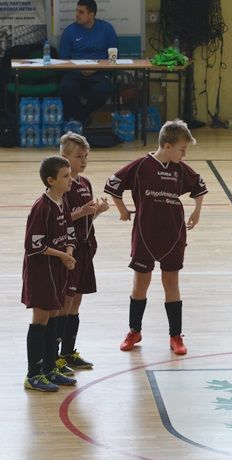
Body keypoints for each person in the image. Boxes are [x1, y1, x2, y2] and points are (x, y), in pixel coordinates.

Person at [104, 119, 207, 356]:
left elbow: (200, 187)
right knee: (141, 283)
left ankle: (175, 336)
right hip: (145, 234)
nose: (184, 154)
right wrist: (122, 208)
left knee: (171, 283)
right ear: (167, 146)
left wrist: (197, 211)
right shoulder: (141, 166)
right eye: (182, 149)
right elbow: (113, 184)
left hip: (173, 234)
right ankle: (134, 331)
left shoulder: (180, 169)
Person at [55, 132, 109, 375]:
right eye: (78, 156)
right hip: (69, 248)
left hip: (86, 248)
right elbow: (59, 219)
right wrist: (81, 212)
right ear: (64, 157)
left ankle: (68, 352)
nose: (84, 161)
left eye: (86, 156)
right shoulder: (61, 185)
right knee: (65, 301)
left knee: (76, 301)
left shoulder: (85, 183)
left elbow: (86, 218)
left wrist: (98, 211)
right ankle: (54, 356)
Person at [22, 157, 78, 391]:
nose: (71, 179)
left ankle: (50, 368)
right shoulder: (41, 207)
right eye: (66, 176)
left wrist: (69, 253)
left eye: (70, 175)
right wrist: (62, 255)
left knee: (55, 315)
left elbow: (70, 232)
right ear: (51, 180)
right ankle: (33, 374)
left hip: (58, 269)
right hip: (41, 271)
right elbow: (34, 245)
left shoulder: (63, 202)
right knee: (41, 319)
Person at [58, 0, 118, 125]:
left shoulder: (107, 29)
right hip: (75, 72)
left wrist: (97, 68)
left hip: (99, 72)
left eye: (81, 12)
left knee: (104, 90)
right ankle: (83, 117)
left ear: (91, 14)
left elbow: (113, 56)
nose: (77, 14)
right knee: (65, 87)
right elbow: (64, 58)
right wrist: (79, 69)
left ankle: (81, 115)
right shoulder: (69, 31)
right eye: (76, 11)